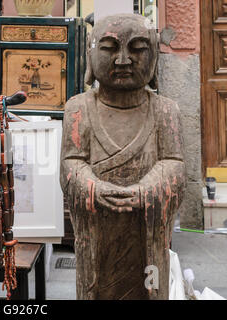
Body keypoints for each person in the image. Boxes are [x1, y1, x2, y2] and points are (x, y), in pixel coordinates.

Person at [60, 13, 186, 300]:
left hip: (146, 232)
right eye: (109, 49)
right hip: (98, 232)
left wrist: (147, 189)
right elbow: (71, 163)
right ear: (91, 57)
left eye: (138, 49)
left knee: (150, 285)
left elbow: (175, 165)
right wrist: (93, 187)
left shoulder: (165, 111)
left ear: (153, 57)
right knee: (94, 287)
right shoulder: (78, 109)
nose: (123, 60)